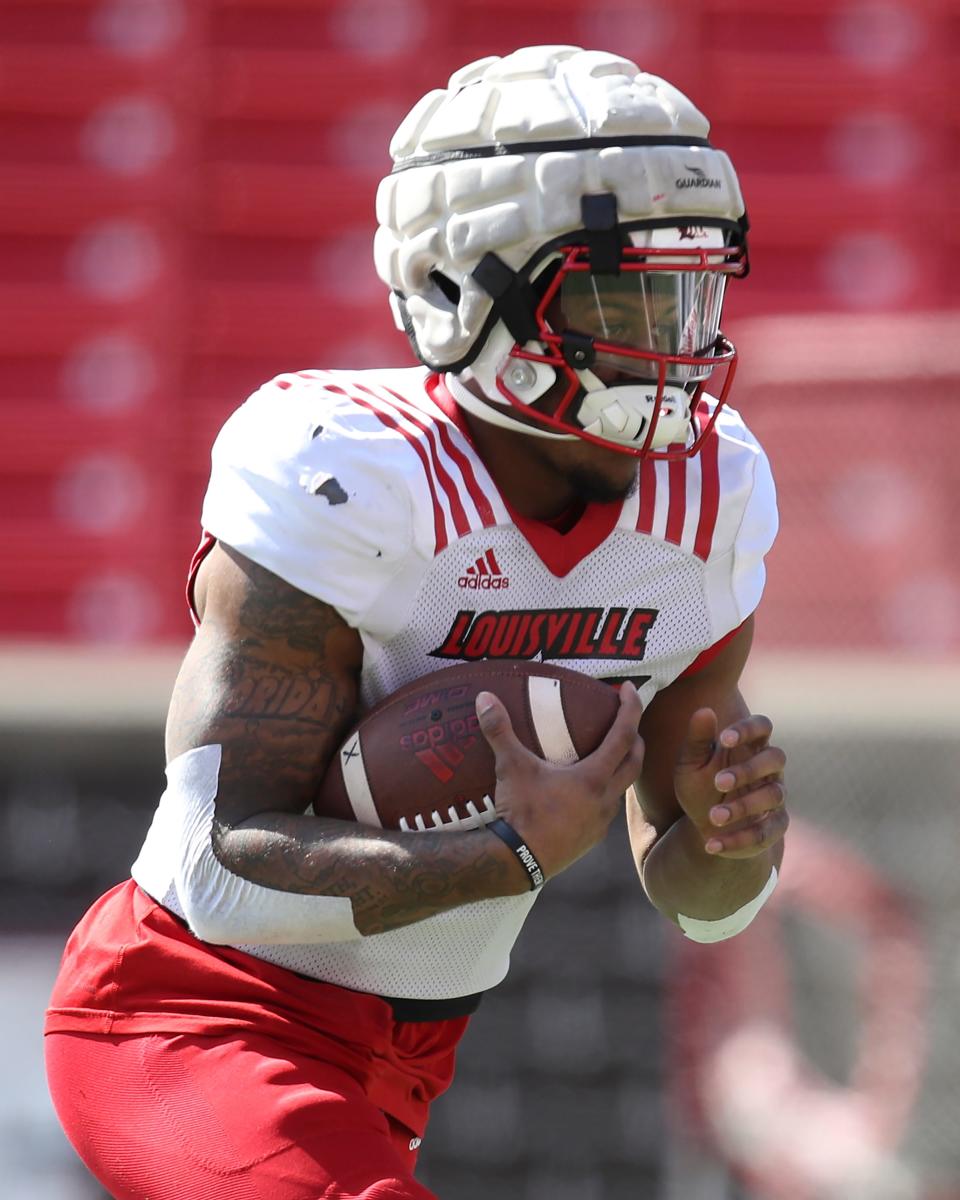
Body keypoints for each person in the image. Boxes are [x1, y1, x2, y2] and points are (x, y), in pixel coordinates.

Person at [45, 45, 788, 1200]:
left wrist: (736, 847)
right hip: (191, 1014)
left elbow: (697, 903)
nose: (674, 334)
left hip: (405, 1060)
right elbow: (219, 865)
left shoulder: (714, 494)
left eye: (690, 290)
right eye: (619, 291)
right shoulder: (351, 473)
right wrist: (507, 856)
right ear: (465, 290)